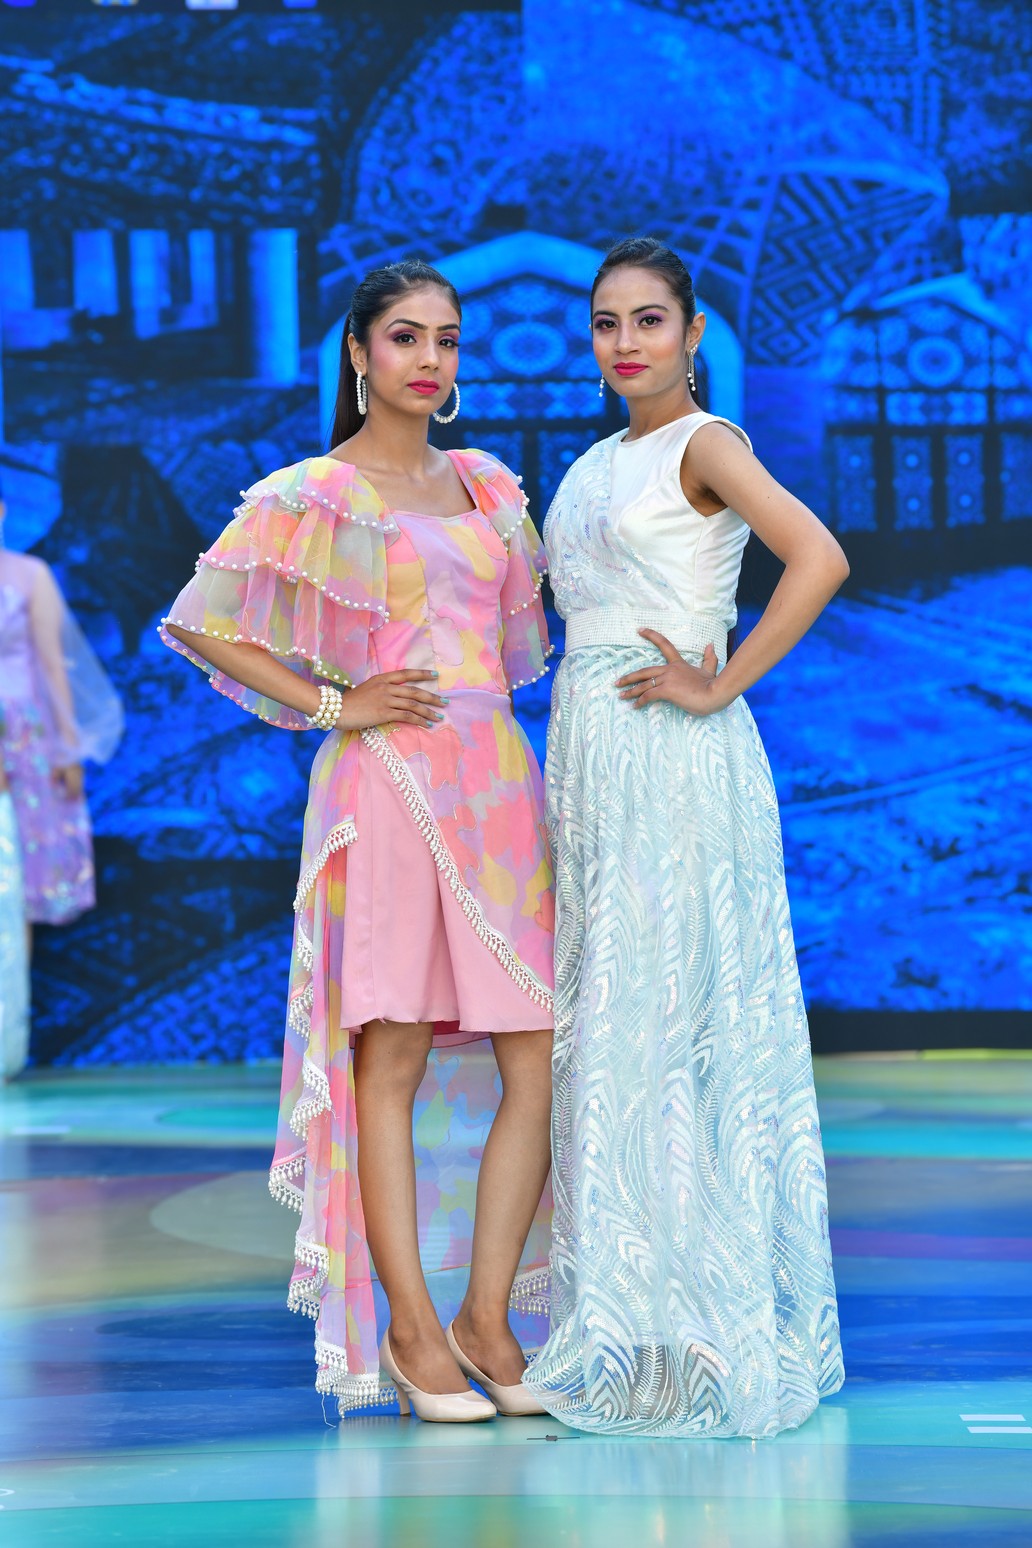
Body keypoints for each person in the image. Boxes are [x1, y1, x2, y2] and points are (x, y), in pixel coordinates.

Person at [162, 260, 554, 1422]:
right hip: (385, 787)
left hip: (498, 784)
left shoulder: (486, 484)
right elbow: (201, 623)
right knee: (393, 1057)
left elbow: (515, 654)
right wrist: (338, 704)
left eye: (446, 339)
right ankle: (414, 1335)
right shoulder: (316, 492)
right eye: (405, 337)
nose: (429, 359)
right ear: (358, 353)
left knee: (538, 1053)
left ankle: (488, 1318)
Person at [521, 237, 848, 1437]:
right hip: (593, 760)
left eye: (649, 319)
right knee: (616, 1028)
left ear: (694, 331)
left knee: (675, 1024)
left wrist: (721, 684)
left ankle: (704, 1327)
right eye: (606, 322)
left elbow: (819, 556)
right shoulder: (597, 459)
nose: (625, 342)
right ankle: (636, 1319)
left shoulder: (707, 444)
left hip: (672, 754)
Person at [0, 533, 123, 1076]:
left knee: (14, 882)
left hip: (21, 737)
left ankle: (6, 1037)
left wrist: (67, 747)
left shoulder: (29, 574)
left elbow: (53, 664)